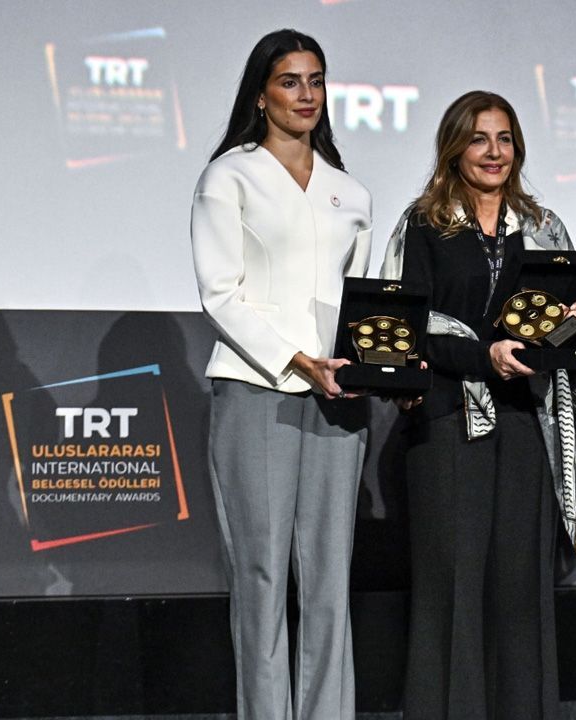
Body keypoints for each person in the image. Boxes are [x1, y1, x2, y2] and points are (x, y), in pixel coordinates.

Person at [379, 90, 576, 720]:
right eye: (478, 138)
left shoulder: (546, 226)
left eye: (504, 139)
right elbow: (400, 327)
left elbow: (560, 321)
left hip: (527, 421)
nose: (493, 152)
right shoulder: (423, 223)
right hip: (448, 421)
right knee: (454, 591)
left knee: (520, 593)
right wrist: (482, 356)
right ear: (454, 147)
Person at [189, 29, 371, 720]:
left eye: (316, 81)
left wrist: (364, 360)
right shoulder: (228, 176)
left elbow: (363, 297)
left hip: (339, 399)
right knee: (262, 575)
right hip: (255, 389)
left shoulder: (349, 191)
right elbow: (219, 292)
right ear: (261, 93)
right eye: (290, 81)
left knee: (328, 579)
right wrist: (297, 359)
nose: (306, 96)